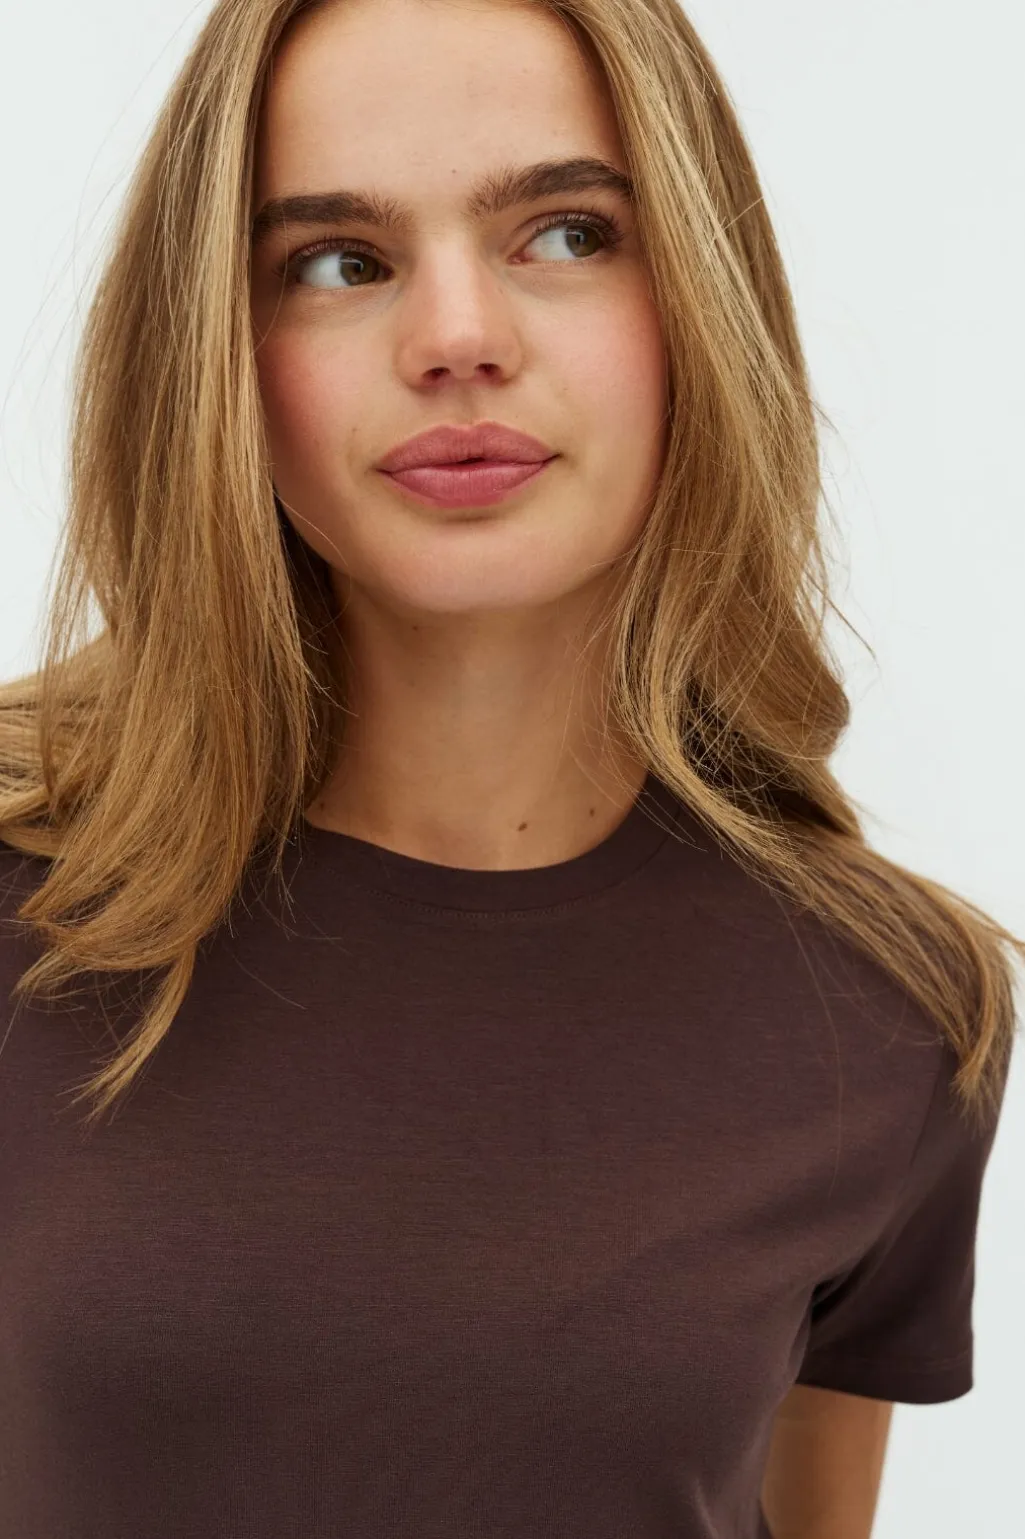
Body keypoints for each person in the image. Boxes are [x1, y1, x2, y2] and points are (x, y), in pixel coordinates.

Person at [0, 1, 1018, 1536]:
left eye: (565, 233)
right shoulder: (23, 905)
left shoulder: (888, 1007)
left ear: (700, 297)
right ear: (216, 350)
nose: (457, 336)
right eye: (338, 262)